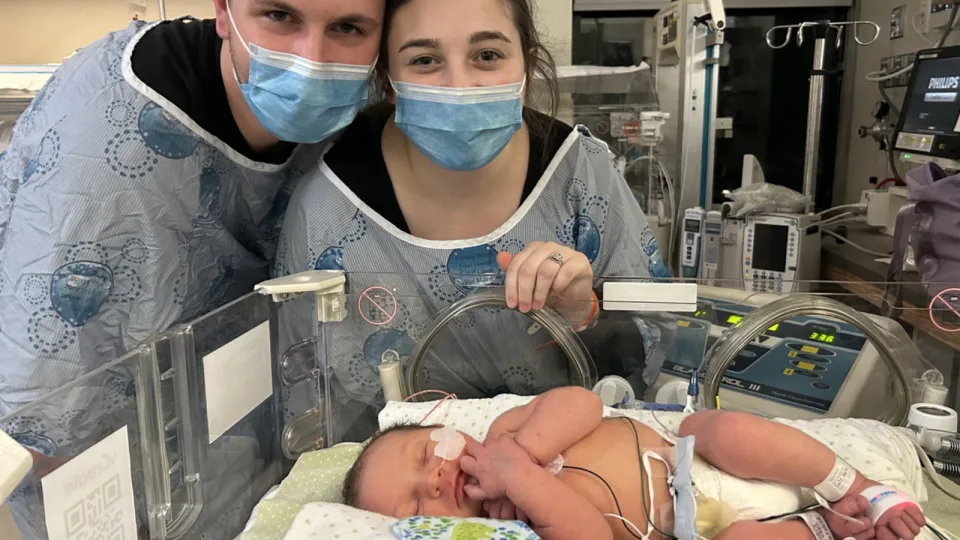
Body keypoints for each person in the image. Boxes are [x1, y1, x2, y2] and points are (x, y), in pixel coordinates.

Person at [0, 0, 383, 459]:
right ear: (224, 11)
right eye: (280, 16)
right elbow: (40, 422)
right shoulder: (104, 162)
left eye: (348, 27)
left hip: (249, 432)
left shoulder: (353, 112)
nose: (311, 60)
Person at [277, 0, 674, 441]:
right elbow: (308, 406)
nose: (459, 86)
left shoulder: (581, 175)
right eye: (424, 60)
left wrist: (585, 316)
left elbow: (649, 352)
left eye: (487, 55)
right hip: (403, 487)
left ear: (529, 65)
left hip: (562, 456)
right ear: (387, 81)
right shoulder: (329, 208)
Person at [343, 387, 928, 540]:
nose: (436, 478)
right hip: (692, 528)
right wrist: (523, 491)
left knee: (722, 428)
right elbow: (591, 533)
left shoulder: (506, 432)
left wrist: (522, 455)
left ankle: (857, 483)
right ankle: (830, 525)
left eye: (425, 456)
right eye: (417, 504)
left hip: (690, 458)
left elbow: (584, 403)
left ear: (446, 432)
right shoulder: (505, 527)